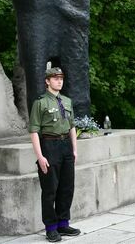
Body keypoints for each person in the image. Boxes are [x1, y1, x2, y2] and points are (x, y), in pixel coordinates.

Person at [28, 67, 80, 242]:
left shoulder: (66, 101)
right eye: (55, 78)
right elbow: (34, 131)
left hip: (66, 146)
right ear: (47, 81)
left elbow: (72, 126)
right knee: (50, 189)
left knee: (67, 187)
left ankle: (63, 223)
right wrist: (40, 156)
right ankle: (51, 227)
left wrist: (74, 149)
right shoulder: (40, 103)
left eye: (61, 78)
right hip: (49, 146)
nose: (59, 81)